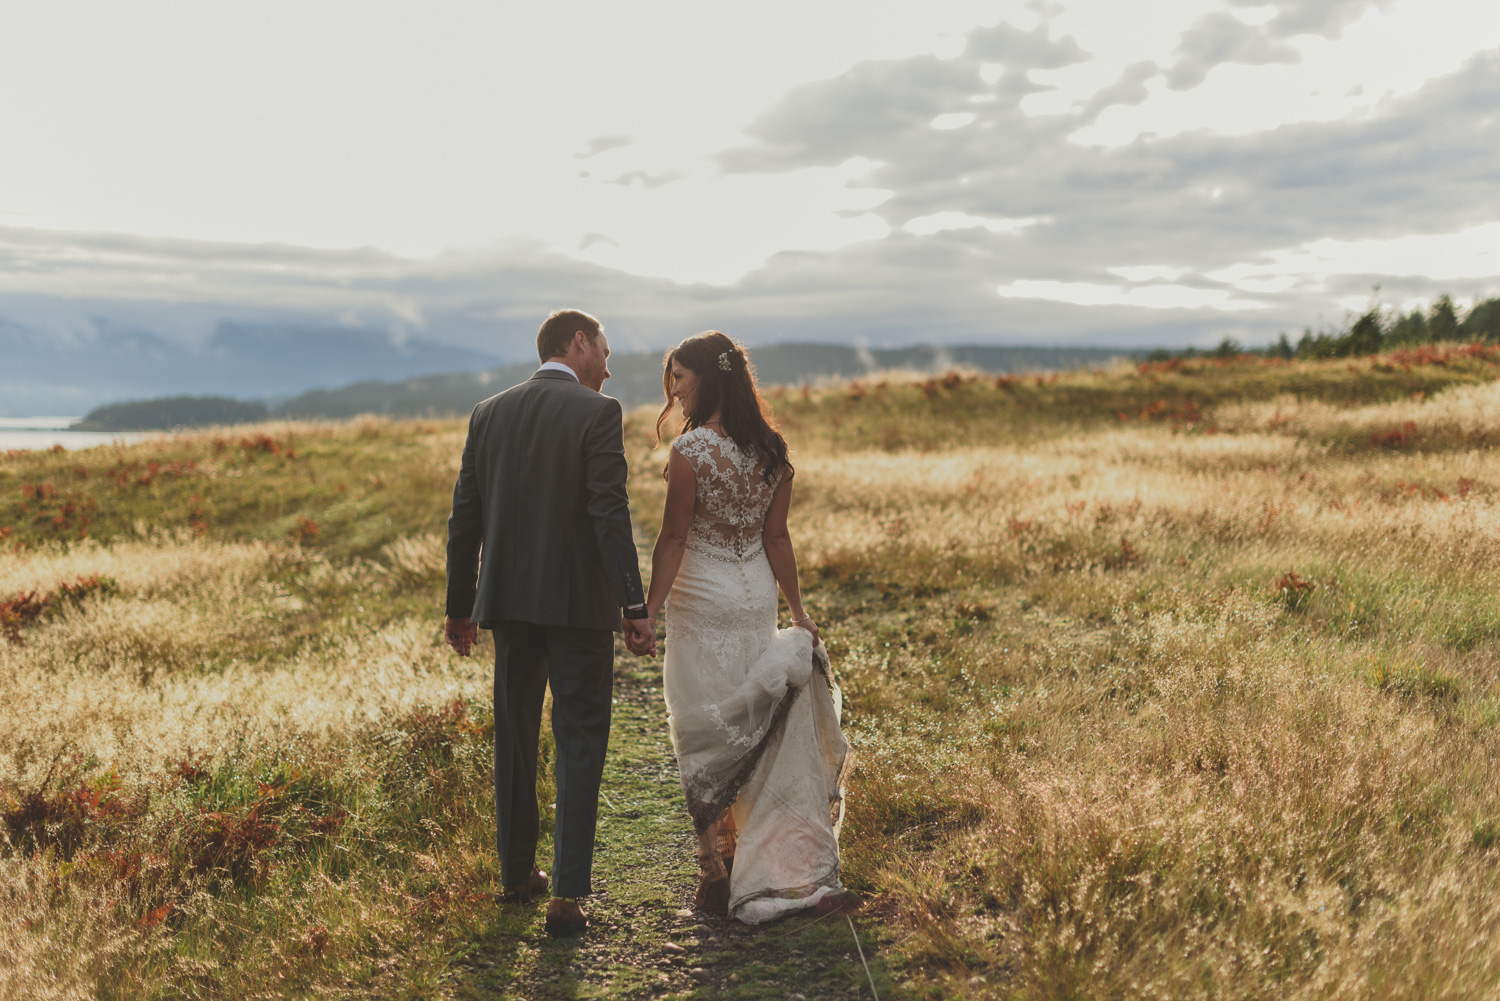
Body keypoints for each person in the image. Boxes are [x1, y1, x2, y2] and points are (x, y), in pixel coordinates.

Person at [444, 308, 657, 937]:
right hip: (577, 605)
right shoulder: (598, 412)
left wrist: (461, 607)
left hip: (507, 604)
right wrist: (634, 606)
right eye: (606, 350)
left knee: (513, 736)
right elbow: (608, 515)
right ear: (579, 341)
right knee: (581, 736)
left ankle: (515, 873)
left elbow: (466, 518)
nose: (609, 367)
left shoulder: (488, 413)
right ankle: (566, 891)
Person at [644, 330, 859, 923]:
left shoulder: (690, 453)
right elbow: (777, 538)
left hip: (702, 598)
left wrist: (649, 608)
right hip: (754, 595)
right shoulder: (771, 450)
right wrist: (797, 611)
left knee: (700, 716)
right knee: (749, 714)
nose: (674, 390)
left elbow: (675, 537)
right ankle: (746, 850)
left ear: (706, 380)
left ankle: (714, 867)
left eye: (679, 378)